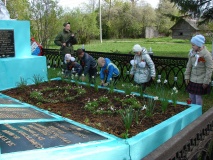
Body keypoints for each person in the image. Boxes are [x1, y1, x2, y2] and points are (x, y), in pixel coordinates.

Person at [184, 34, 213, 105]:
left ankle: (198, 112)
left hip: (201, 80)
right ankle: (191, 110)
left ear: (199, 45)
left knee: (198, 97)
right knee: (191, 96)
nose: (192, 46)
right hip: (193, 79)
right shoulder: (192, 53)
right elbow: (189, 65)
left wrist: (206, 81)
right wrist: (187, 76)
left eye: (193, 45)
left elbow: (209, 68)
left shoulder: (206, 55)